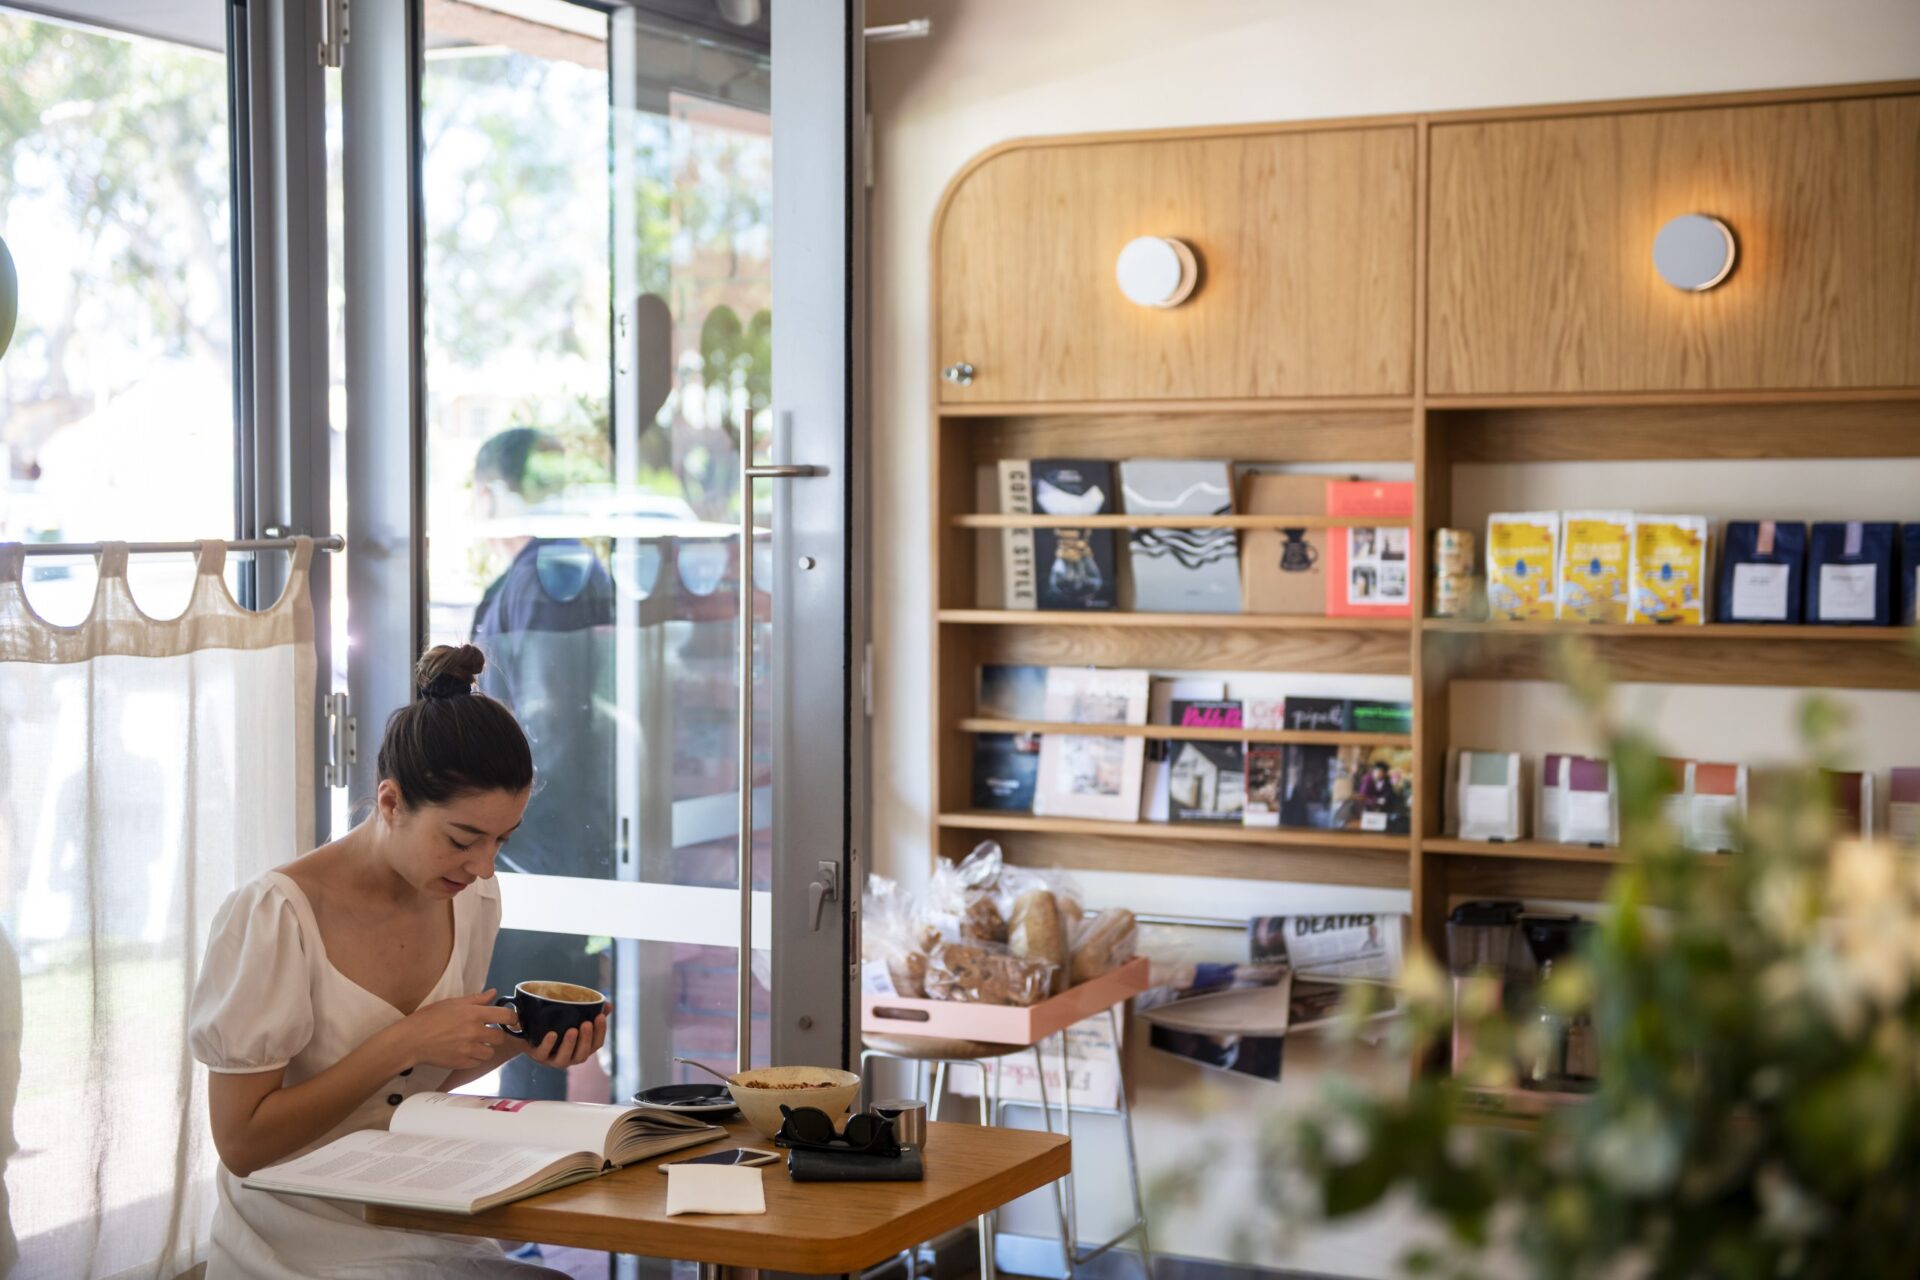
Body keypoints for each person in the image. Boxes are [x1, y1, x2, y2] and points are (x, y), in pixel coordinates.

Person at [188, 645, 608, 1279]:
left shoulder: (471, 897)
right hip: (299, 1233)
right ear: (390, 802)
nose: (484, 866)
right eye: (463, 840)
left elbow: (411, 1090)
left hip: (416, 1205)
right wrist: (403, 1040)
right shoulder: (276, 915)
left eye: (502, 840)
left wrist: (519, 1045)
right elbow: (243, 1145)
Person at [468, 427, 618, 1101]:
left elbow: (550, 724)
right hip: (564, 839)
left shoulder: (547, 578)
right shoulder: (570, 568)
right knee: (543, 1027)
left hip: (545, 845)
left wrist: (502, 835)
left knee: (532, 1027)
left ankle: (532, 1171)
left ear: (494, 493)